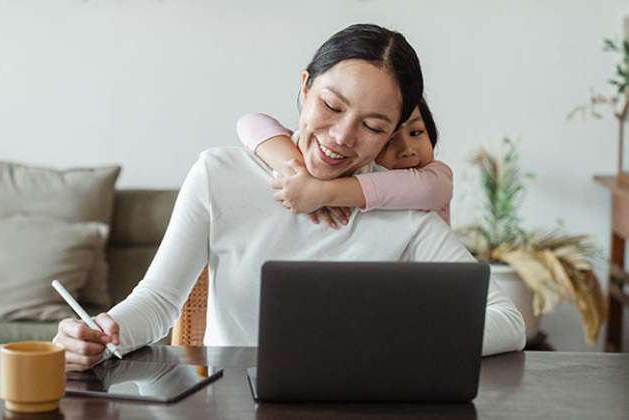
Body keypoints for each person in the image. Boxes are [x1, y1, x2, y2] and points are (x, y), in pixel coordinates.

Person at [54, 24, 526, 371]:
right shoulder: (220, 175)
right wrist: (98, 332)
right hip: (233, 402)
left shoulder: (402, 208)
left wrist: (401, 340)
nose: (342, 137)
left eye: (373, 126)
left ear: (393, 133)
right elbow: (158, 302)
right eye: (331, 106)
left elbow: (507, 320)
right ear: (304, 88)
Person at [236, 98, 452, 227]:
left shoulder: (436, 175)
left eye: (416, 132)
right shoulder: (352, 169)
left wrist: (322, 192)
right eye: (389, 140)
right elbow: (251, 122)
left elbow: (427, 190)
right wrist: (297, 173)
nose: (407, 150)